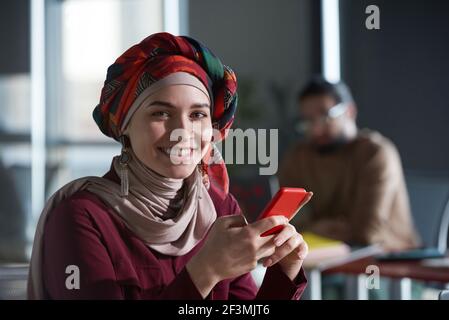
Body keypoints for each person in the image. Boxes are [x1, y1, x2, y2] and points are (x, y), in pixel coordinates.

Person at [27, 33, 311, 300]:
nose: (183, 131)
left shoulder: (219, 207)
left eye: (198, 114)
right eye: (161, 113)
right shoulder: (81, 216)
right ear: (125, 127)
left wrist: (283, 272)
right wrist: (205, 272)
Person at [279, 76, 419, 251]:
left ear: (350, 111)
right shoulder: (297, 157)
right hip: (322, 259)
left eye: (325, 116)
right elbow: (284, 226)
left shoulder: (375, 153)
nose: (316, 128)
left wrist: (314, 227)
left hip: (385, 262)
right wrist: (337, 226)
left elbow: (367, 233)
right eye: (308, 121)